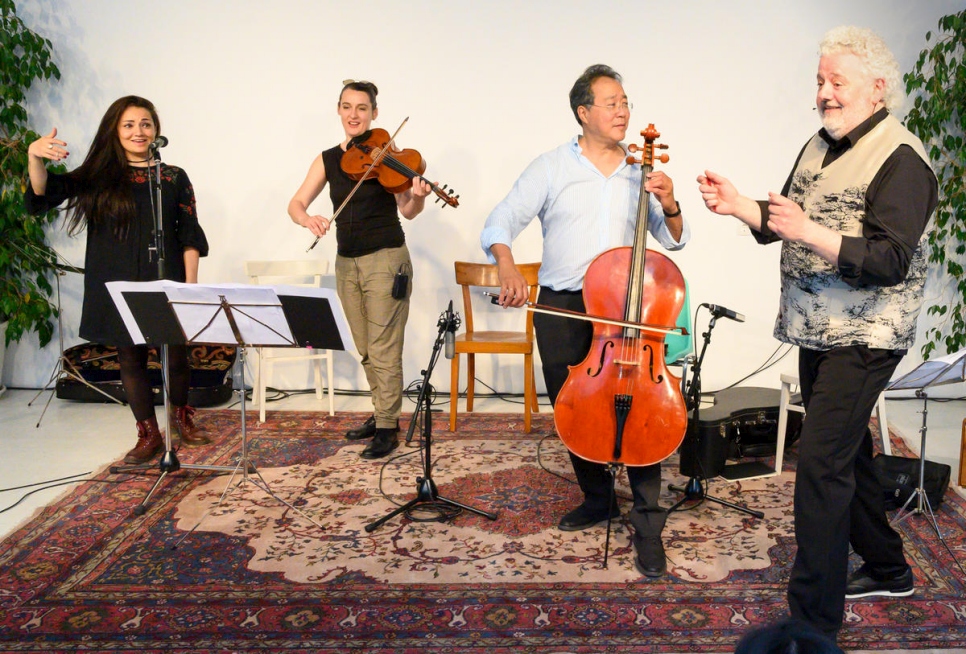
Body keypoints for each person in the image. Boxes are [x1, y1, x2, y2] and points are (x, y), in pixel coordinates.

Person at [697, 26, 937, 640]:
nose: (825, 94)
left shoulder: (902, 159)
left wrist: (806, 231)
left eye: (838, 83)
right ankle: (888, 567)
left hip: (866, 335)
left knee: (821, 468)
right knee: (847, 456)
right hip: (815, 328)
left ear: (878, 89)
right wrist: (742, 207)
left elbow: (889, 260)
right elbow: (790, 221)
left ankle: (812, 626)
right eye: (820, 82)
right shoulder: (820, 143)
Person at [481, 64, 690, 578]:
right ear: (584, 112)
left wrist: (669, 201)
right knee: (574, 407)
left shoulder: (643, 169)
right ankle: (597, 498)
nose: (623, 111)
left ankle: (647, 522)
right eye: (612, 102)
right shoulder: (551, 167)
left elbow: (676, 240)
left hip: (627, 309)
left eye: (626, 103)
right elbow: (500, 219)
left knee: (639, 405)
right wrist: (506, 262)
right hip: (563, 303)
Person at [25, 95, 212, 464]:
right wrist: (34, 155)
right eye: (129, 125)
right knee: (130, 358)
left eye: (145, 124)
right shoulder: (98, 176)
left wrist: (191, 290)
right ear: (114, 130)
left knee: (175, 355)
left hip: (166, 279)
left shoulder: (173, 177)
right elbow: (43, 193)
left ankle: (181, 419)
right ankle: (147, 433)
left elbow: (189, 234)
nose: (138, 131)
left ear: (156, 130)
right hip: (115, 282)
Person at [288, 80, 432, 459]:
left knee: (384, 346)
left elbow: (407, 210)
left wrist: (416, 197)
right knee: (365, 346)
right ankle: (381, 411)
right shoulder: (327, 158)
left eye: (362, 108)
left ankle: (387, 427)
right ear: (338, 109)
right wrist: (308, 219)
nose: (354, 114)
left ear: (374, 113)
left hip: (386, 258)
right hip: (346, 262)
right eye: (347, 106)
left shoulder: (389, 154)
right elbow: (296, 203)